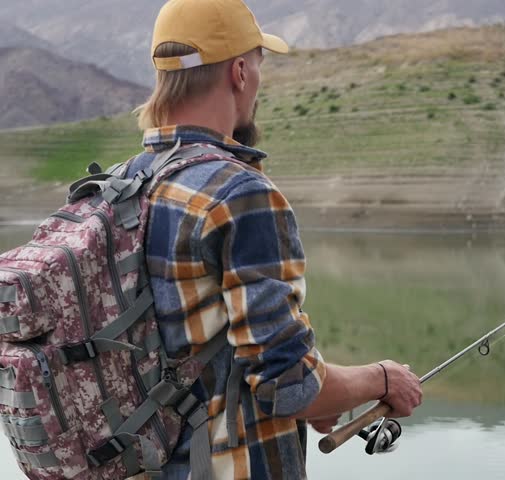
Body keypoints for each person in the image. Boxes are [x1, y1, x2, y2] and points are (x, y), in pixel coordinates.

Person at [128, 0, 423, 478]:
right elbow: (289, 387)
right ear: (240, 72)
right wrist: (383, 378)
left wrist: (323, 391)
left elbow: (197, 351)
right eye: (258, 64)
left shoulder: (123, 186)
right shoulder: (239, 194)